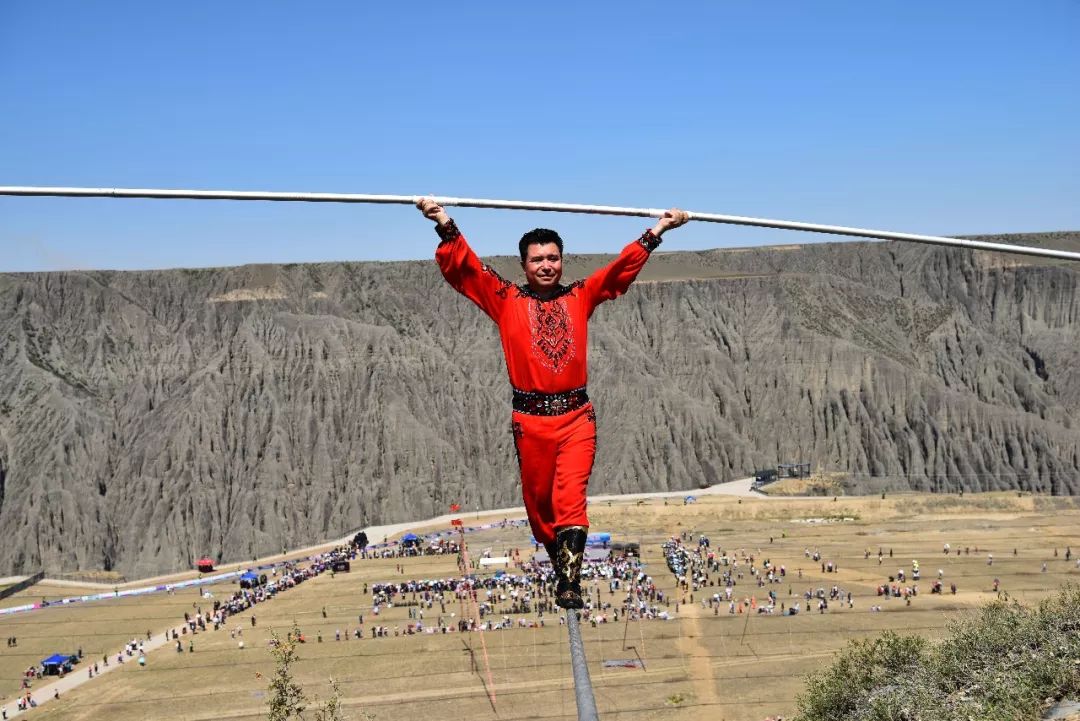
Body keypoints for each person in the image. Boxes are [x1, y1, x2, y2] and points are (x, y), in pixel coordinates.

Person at [419, 197, 690, 608]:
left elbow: (618, 271)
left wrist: (659, 230)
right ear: (523, 265)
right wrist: (442, 221)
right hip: (530, 422)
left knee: (570, 498)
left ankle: (569, 583)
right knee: (540, 506)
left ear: (562, 261)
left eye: (553, 258)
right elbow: (468, 269)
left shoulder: (581, 295)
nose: (546, 266)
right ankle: (558, 561)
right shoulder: (505, 299)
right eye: (537, 260)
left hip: (577, 418)